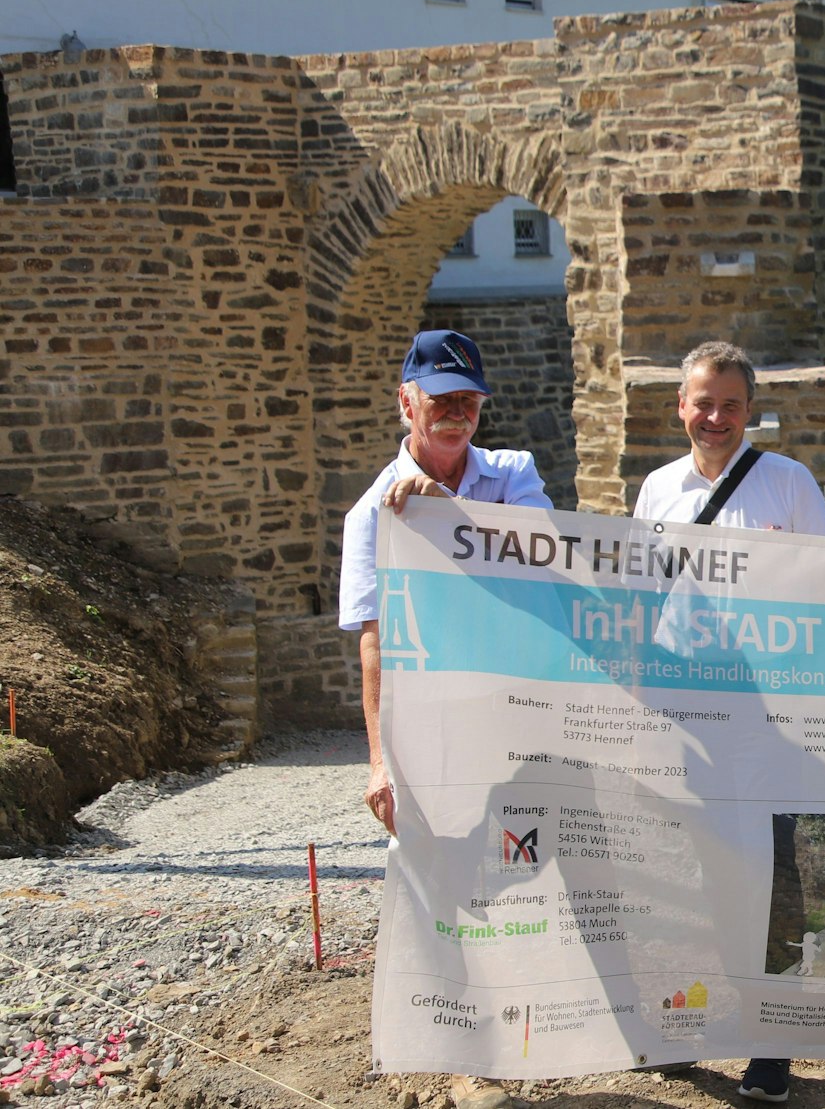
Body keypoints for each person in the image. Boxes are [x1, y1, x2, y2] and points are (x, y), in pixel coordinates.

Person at [631, 340, 825, 1105]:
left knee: (771, 871)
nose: (716, 417)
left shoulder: (788, 483)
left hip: (770, 712)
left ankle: (771, 1036)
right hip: (684, 706)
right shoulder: (656, 491)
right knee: (689, 872)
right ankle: (689, 1017)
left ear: (749, 410)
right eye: (704, 401)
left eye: (731, 404)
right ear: (681, 404)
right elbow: (635, 601)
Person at [337, 328, 553, 1109]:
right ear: (407, 402)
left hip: (516, 718)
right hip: (430, 730)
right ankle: (471, 1059)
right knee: (447, 887)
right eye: (443, 400)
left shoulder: (515, 475)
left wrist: (450, 516)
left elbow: (547, 565)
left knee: (527, 878)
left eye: (469, 401)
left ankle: (557, 1025)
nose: (458, 415)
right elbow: (374, 641)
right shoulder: (372, 512)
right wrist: (378, 760)